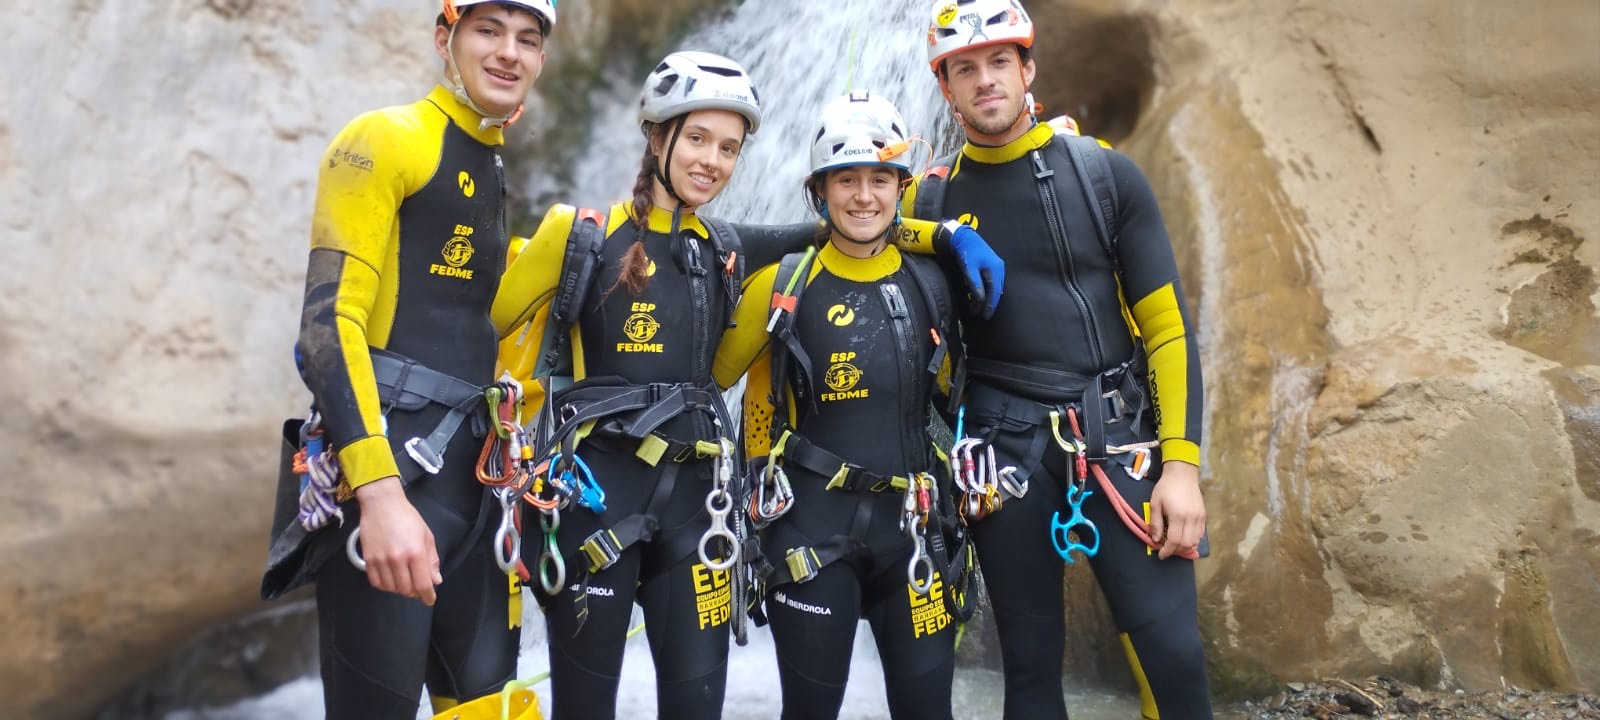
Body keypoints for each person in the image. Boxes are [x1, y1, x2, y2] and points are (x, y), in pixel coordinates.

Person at [489, 49, 1006, 720]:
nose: (712, 159)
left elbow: (847, 227)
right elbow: (481, 335)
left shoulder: (727, 244)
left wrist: (942, 237)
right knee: (584, 707)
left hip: (697, 509)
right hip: (593, 499)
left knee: (699, 706)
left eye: (728, 147)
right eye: (698, 138)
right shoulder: (578, 236)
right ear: (656, 135)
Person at [907, 1, 1213, 718]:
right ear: (946, 89)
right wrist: (935, 236)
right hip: (1000, 451)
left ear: (1028, 68)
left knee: (1174, 657)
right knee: (1030, 671)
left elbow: (1167, 329)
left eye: (999, 63)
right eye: (965, 70)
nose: (985, 81)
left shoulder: (1103, 175)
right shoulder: (929, 198)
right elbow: (854, 227)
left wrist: (1183, 468)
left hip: (1117, 439)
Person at [272, 1, 554, 716]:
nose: (508, 53)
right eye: (488, 31)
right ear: (444, 38)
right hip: (394, 477)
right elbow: (327, 325)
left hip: (476, 482)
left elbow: (467, 322)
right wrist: (379, 494)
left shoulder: (488, 166)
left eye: (527, 39)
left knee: (492, 711)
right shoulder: (385, 138)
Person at [712, 90, 964, 720]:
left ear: (901, 188)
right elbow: (707, 379)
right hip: (809, 531)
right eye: (845, 179)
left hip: (913, 529)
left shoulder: (931, 283)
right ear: (819, 191)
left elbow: (963, 394)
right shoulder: (782, 284)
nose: (863, 196)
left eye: (880, 179)